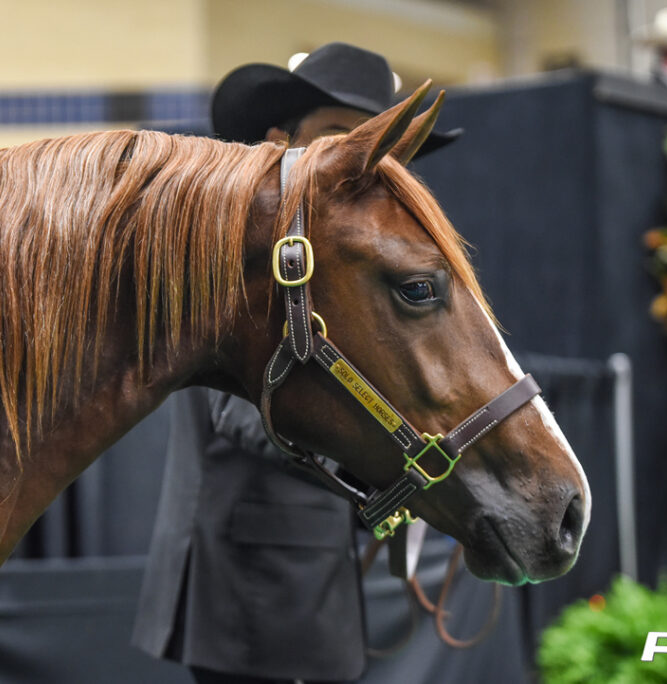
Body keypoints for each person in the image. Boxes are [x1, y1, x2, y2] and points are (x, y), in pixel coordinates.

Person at [131, 43, 459, 684]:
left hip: (300, 567)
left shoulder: (332, 258)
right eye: (338, 136)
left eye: (377, 150)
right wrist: (380, 461)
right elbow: (236, 412)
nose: (363, 164)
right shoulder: (241, 247)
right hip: (252, 575)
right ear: (281, 137)